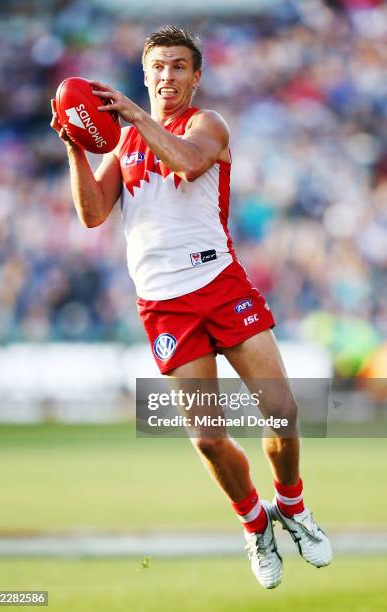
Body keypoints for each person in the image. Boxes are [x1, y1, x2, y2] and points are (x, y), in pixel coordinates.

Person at [51, 25, 332, 589]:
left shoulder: (206, 124)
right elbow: (91, 213)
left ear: (196, 76)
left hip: (220, 283)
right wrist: (75, 146)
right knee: (206, 437)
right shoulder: (125, 142)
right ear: (145, 71)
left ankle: (294, 509)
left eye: (179, 67)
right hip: (164, 305)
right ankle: (255, 525)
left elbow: (187, 164)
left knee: (282, 411)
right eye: (158, 66)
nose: (167, 76)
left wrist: (132, 115)